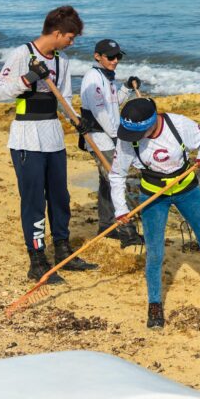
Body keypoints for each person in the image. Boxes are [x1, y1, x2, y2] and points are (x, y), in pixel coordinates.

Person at [109, 97, 200, 329]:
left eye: (136, 133)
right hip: (153, 196)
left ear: (151, 123)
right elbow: (116, 175)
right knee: (155, 253)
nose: (130, 139)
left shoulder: (178, 125)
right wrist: (121, 209)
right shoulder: (127, 139)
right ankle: (155, 303)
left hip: (187, 190)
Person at [0, 5, 97, 284]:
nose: (72, 43)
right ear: (57, 33)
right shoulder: (22, 54)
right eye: (70, 37)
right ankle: (37, 260)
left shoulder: (62, 61)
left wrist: (78, 122)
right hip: (26, 138)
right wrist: (28, 79)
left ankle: (62, 251)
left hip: (53, 138)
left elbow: (65, 102)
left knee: (60, 197)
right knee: (34, 201)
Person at [79, 38, 143, 247]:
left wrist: (125, 88)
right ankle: (127, 233)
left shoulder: (106, 77)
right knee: (116, 181)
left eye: (118, 57)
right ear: (97, 56)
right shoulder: (93, 79)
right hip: (100, 139)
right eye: (110, 57)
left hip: (109, 137)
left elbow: (113, 105)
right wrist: (117, 136)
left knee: (107, 183)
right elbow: (100, 113)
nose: (115, 61)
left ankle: (106, 226)